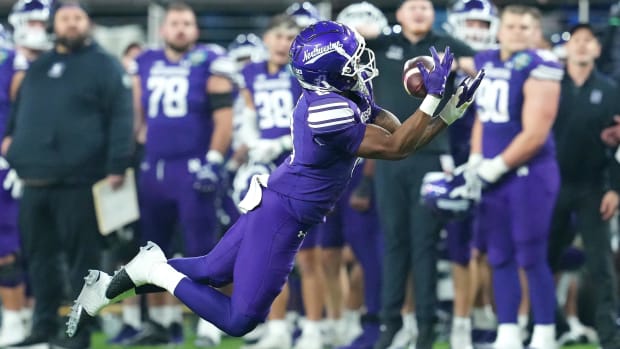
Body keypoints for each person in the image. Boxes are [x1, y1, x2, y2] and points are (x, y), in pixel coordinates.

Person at [66, 20, 484, 343]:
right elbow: (396, 149)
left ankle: (108, 288)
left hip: (279, 198)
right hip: (284, 214)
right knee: (240, 320)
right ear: (328, 73)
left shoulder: (342, 93)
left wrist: (447, 111)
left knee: (209, 270)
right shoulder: (325, 110)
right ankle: (154, 269)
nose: (362, 67)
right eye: (353, 61)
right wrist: (432, 102)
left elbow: (396, 133)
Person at [1, 2, 134, 348]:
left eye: (78, 18)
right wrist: (13, 149)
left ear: (87, 23)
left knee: (83, 264)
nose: (72, 24)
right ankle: (43, 327)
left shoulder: (104, 65)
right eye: (65, 18)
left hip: (81, 181)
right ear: (54, 24)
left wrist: (118, 164)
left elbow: (122, 116)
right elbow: (19, 114)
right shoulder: (39, 66)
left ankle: (80, 331)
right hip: (34, 181)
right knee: (39, 260)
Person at [365, 1, 476, 348]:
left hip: (431, 152)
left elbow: (476, 66)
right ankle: (391, 323)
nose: (418, 11)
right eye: (410, 6)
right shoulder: (381, 45)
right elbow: (355, 38)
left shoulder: (449, 45)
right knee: (394, 242)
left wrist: (465, 67)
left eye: (425, 6)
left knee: (425, 244)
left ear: (434, 14)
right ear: (397, 15)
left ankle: (427, 327)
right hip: (389, 155)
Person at [126, 2, 235, 346]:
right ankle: (160, 321)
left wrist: (215, 160)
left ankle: (210, 323)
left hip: (192, 168)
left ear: (196, 29)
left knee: (203, 249)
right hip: (153, 168)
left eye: (187, 23)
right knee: (151, 249)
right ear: (163, 29)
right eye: (175, 23)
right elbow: (137, 115)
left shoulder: (211, 61)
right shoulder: (145, 61)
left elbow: (224, 118)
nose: (181, 29)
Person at [461, 4, 564, 349]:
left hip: (528, 173)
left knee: (531, 255)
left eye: (525, 27)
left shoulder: (542, 66)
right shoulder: (487, 61)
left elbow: (535, 134)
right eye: (511, 26)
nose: (517, 32)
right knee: (498, 255)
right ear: (500, 29)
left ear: (536, 33)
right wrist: (476, 158)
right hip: (495, 174)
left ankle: (545, 333)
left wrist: (495, 166)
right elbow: (483, 118)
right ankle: (508, 332)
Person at [546, 23, 620, 349]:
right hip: (550, 186)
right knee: (542, 261)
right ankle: (547, 328)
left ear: (597, 50)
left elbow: (618, 147)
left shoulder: (611, 90)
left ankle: (609, 335)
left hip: (593, 187)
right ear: (567, 47)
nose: (581, 46)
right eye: (576, 40)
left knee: (601, 264)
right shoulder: (548, 86)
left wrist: (615, 189)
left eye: (588, 41)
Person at [441, 1, 499, 348]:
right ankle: (464, 320)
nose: (477, 29)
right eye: (471, 22)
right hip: (452, 160)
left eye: (482, 22)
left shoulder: (502, 61)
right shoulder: (445, 63)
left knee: (491, 247)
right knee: (462, 247)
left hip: (496, 162)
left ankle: (487, 313)